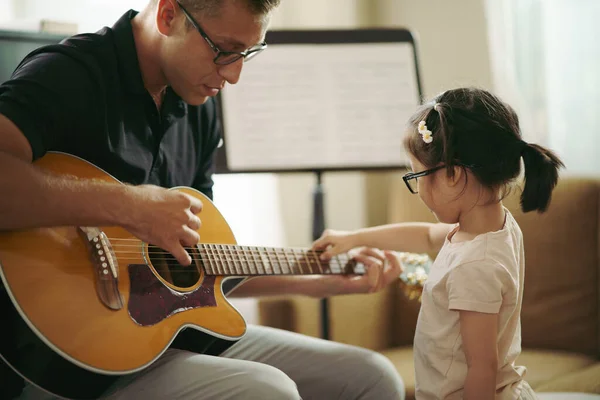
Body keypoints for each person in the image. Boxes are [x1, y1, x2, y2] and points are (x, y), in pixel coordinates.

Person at [0, 0, 406, 399]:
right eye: (224, 51)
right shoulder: (70, 73)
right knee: (268, 391)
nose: (234, 75)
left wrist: (318, 279)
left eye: (248, 53)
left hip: (166, 339)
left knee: (372, 376)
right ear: (169, 15)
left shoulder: (198, 106)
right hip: (70, 361)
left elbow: (199, 268)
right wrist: (126, 204)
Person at [313, 87, 565, 400]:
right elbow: (422, 236)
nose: (418, 189)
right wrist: (353, 238)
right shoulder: (488, 228)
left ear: (452, 175)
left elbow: (482, 369)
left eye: (416, 175)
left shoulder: (475, 265)